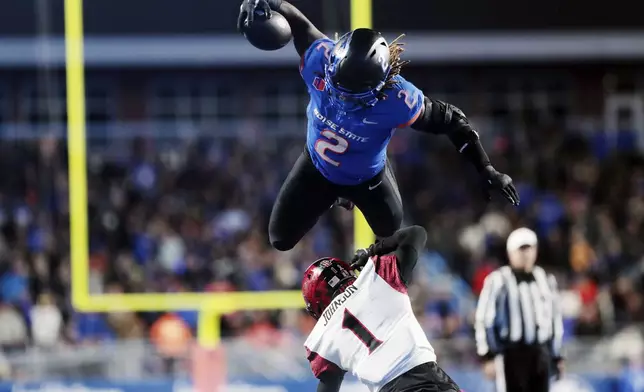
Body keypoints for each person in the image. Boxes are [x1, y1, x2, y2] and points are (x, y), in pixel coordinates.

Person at [237, 0, 520, 251]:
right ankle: (334, 196)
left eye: (352, 93)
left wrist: (486, 168)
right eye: (338, 87)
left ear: (378, 87)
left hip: (367, 178)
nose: (342, 97)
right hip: (317, 167)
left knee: (390, 233)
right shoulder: (320, 58)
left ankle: (349, 194)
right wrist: (264, 2)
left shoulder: (397, 98)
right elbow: (299, 23)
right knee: (280, 239)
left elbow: (453, 120)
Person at [300, 225, 461, 392]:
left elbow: (327, 388)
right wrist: (373, 251)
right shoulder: (376, 278)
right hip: (427, 378)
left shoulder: (321, 337)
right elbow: (416, 233)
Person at [474, 227, 564, 392]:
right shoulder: (498, 280)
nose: (526, 254)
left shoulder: (546, 279)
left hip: (540, 352)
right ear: (510, 253)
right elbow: (485, 319)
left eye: (529, 248)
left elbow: (554, 318)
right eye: (521, 249)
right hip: (511, 354)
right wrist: (487, 356)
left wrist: (556, 355)